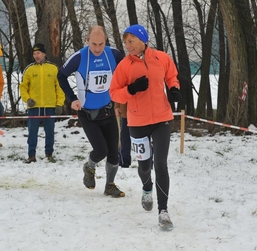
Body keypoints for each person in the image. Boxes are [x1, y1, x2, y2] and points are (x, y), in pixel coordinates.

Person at [110, 24, 181, 230]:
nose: (128, 46)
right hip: (137, 121)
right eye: (125, 42)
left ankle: (163, 211)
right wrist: (131, 89)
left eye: (131, 41)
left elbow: (171, 75)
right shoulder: (124, 66)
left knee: (160, 164)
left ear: (143, 39)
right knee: (144, 166)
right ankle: (147, 187)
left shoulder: (161, 58)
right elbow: (114, 92)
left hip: (161, 119)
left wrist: (174, 89)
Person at [57, 25, 125, 198]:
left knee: (114, 153)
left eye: (101, 44)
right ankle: (89, 166)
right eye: (93, 44)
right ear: (87, 40)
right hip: (87, 113)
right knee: (100, 150)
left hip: (108, 110)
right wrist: (72, 99)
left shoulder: (114, 54)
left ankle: (110, 185)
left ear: (106, 41)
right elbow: (61, 75)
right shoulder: (79, 57)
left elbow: (126, 72)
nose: (97, 48)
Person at [20, 43, 65, 164]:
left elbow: (59, 87)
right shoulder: (29, 69)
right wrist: (27, 99)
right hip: (34, 106)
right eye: (34, 54)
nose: (36, 56)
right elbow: (23, 87)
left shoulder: (53, 68)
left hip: (50, 106)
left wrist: (59, 103)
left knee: (50, 131)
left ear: (44, 54)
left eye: (38, 53)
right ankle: (31, 155)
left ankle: (49, 153)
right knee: (32, 132)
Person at [115, 102, 131, 168]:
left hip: (145, 112)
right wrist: (117, 106)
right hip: (126, 110)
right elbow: (118, 91)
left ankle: (149, 163)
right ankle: (124, 161)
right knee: (125, 138)